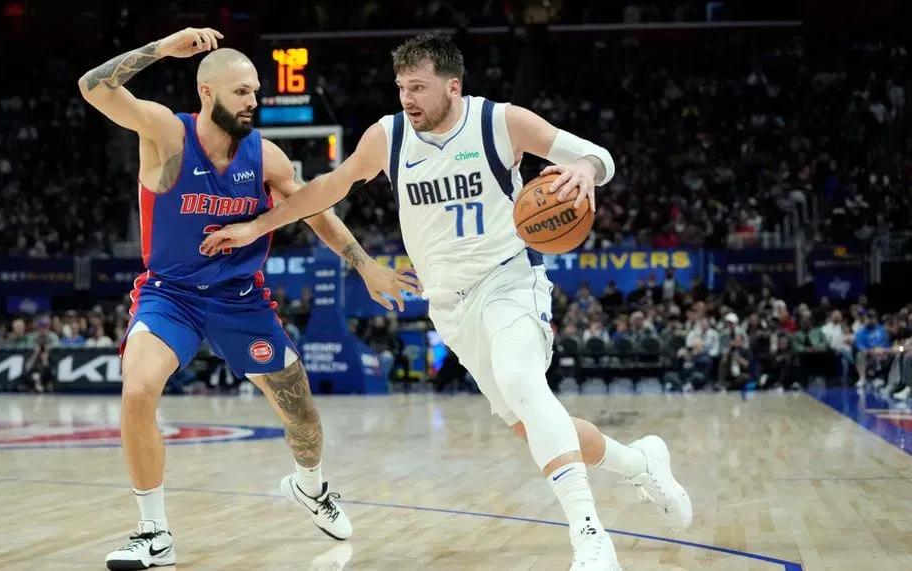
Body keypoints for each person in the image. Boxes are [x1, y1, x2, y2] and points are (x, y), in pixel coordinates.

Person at [204, 33, 691, 570]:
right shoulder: (388, 136)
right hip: (450, 305)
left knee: (524, 384)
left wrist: (586, 169)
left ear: (452, 86)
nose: (407, 98)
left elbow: (598, 156)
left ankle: (590, 537)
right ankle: (641, 463)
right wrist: (258, 226)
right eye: (401, 87)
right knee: (533, 422)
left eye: (418, 87)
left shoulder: (499, 122)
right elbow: (328, 187)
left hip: (509, 280)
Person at [79, 27, 420, 571]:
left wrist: (365, 266)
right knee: (138, 390)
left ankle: (310, 486)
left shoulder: (265, 157)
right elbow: (94, 87)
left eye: (255, 92)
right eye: (242, 92)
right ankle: (154, 532)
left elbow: (315, 211)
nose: (253, 102)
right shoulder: (167, 134)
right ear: (207, 93)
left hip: (241, 300)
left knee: (303, 417)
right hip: (172, 295)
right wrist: (163, 48)